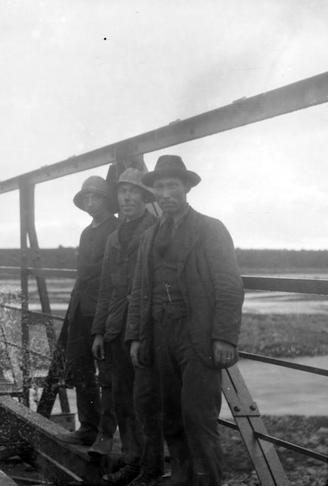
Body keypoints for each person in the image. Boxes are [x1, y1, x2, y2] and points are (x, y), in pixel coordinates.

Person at [127, 155, 244, 486]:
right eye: (160, 186)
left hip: (198, 336)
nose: (166, 193)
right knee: (172, 416)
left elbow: (229, 285)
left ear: (187, 188)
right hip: (160, 335)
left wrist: (224, 337)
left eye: (173, 186)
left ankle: (209, 483)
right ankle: (181, 479)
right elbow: (139, 289)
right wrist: (136, 335)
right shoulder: (150, 236)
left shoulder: (211, 229)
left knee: (198, 417)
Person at [89, 168, 163, 486]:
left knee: (146, 401)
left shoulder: (158, 230)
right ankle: (134, 461)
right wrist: (98, 331)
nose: (128, 197)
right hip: (117, 329)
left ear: (146, 197)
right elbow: (106, 289)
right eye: (122, 192)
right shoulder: (114, 238)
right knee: (122, 399)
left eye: (134, 191)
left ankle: (151, 467)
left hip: (145, 330)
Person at [58, 175, 117, 447]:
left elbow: (112, 277)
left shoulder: (116, 230)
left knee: (106, 375)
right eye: (87, 199)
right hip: (81, 309)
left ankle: (106, 433)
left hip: (102, 311)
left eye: (96, 197)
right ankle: (88, 427)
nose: (91, 203)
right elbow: (82, 276)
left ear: (107, 200)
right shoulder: (86, 232)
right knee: (81, 370)